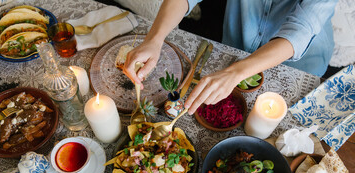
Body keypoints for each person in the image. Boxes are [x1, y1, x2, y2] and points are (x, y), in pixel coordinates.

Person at [123, 0, 338, 115]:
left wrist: (234, 73)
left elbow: (300, 31)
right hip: (237, 46)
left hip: (297, 64)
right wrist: (155, 38)